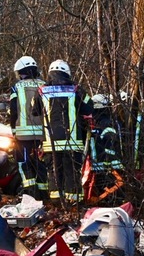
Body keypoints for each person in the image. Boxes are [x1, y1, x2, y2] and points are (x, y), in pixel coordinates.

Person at [31, 59, 93, 202]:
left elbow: (34, 111)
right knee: (72, 171)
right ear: (67, 73)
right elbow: (90, 107)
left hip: (50, 141)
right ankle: (74, 202)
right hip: (73, 141)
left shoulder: (41, 91)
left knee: (54, 171)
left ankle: (56, 201)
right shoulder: (77, 90)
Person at [8, 56, 47, 199]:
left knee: (23, 162)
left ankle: (30, 192)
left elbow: (13, 110)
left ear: (21, 72)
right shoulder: (44, 85)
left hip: (23, 134)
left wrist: (13, 130)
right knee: (41, 162)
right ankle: (44, 193)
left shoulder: (16, 87)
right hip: (43, 134)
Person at [87, 94, 124, 201]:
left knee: (103, 188)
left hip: (101, 165)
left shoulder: (96, 124)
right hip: (116, 163)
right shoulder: (116, 122)